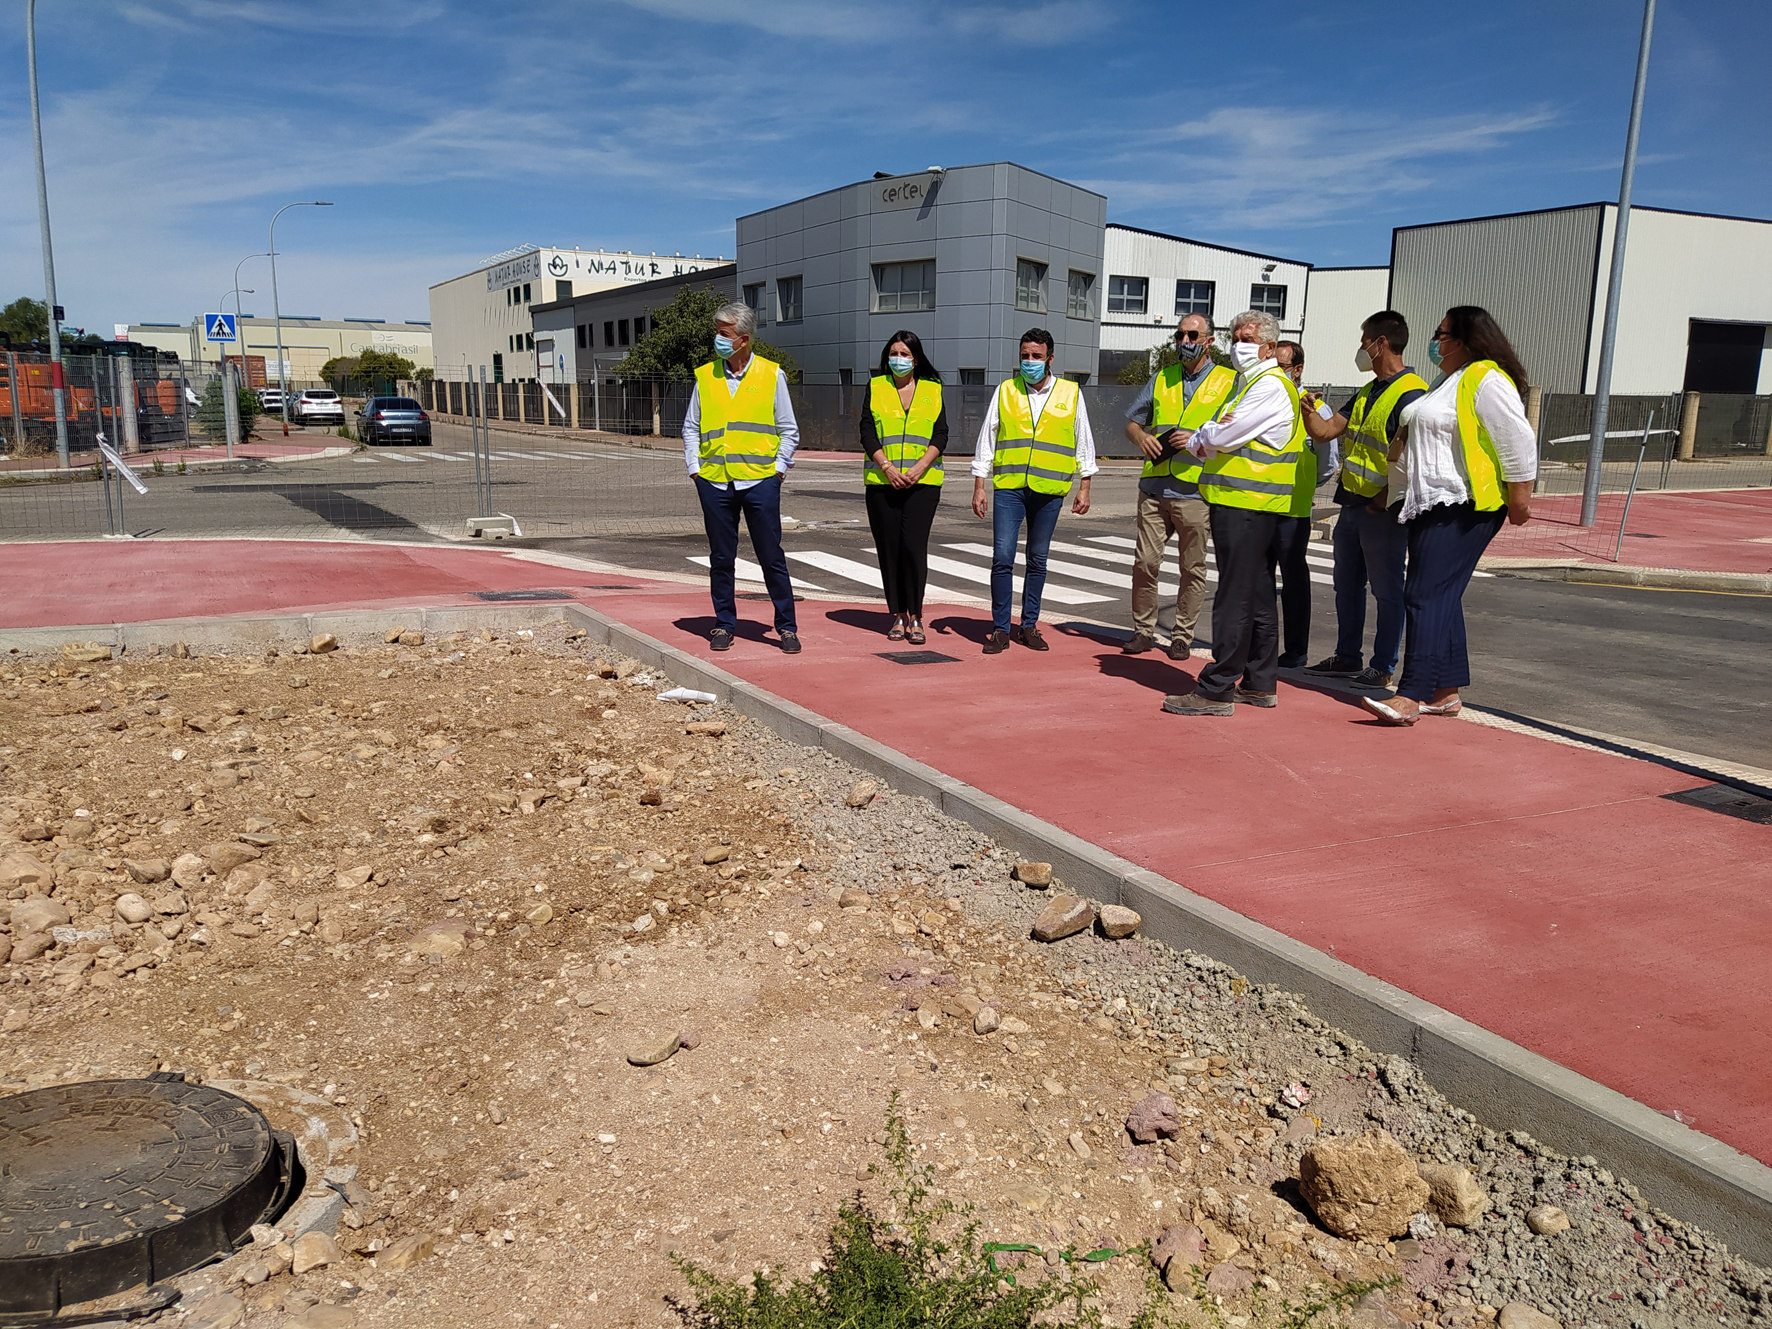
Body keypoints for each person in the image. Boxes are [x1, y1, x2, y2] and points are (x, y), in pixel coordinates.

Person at [1361, 305, 1535, 726]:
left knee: (1423, 595)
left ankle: (1412, 694)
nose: (1434, 342)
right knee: (1441, 595)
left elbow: (1517, 440)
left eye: (1440, 334)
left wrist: (1520, 501)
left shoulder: (1485, 378)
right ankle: (1445, 691)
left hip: (1464, 504)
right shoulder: (1448, 380)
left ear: (1463, 339)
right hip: (1428, 503)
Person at [1160, 310, 1304, 716]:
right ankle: (1259, 682)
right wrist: (1210, 436)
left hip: (1245, 503)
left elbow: (1223, 432)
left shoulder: (1268, 386)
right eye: (1235, 338)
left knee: (1234, 598)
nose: (1238, 346)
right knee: (1256, 595)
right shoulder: (1253, 383)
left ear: (1269, 348)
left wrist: (1200, 438)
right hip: (1251, 503)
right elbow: (1223, 431)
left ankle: (1217, 688)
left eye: (1247, 339)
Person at [1301, 311, 1428, 688]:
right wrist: (1309, 412)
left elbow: (1414, 459)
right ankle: (1347, 656)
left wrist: (1381, 500)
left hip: (1383, 510)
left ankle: (1383, 665)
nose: (1361, 349)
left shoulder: (1412, 395)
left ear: (1381, 343)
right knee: (1347, 585)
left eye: (1364, 341)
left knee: (1387, 591)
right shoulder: (1368, 391)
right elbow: (1326, 431)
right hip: (1354, 504)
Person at [682, 301, 802, 654]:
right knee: (721, 558)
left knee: (771, 556)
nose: (718, 339)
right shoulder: (706, 376)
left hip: (760, 481)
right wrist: (695, 470)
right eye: (718, 332)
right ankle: (723, 624)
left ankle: (787, 627)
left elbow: (789, 430)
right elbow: (691, 427)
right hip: (715, 481)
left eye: (724, 334)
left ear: (744, 339)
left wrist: (778, 471)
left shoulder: (771, 375)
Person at [971, 328, 1096, 654]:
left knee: (1038, 559)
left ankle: (1028, 626)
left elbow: (1083, 438)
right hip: (1010, 488)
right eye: (1025, 356)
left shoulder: (1071, 392)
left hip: (1049, 490)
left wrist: (1085, 485)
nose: (1029, 361)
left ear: (1050, 359)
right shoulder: (1006, 391)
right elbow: (988, 437)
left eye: (1036, 356)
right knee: (1002, 557)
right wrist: (979, 484)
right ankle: (1000, 630)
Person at [1120, 314, 1234, 661]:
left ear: (1209, 341)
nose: (1185, 340)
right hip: (1154, 487)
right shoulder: (1162, 377)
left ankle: (1182, 635)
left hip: (1196, 490)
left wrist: (1199, 438)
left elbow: (1236, 432)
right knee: (1145, 562)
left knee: (1192, 567)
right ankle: (1143, 630)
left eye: (1192, 335)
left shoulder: (1229, 381)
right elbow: (1132, 422)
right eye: (1180, 334)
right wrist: (1140, 437)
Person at [862, 331, 948, 644]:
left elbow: (941, 434)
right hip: (882, 483)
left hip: (922, 484)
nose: (898, 359)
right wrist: (887, 467)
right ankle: (898, 614)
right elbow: (867, 432)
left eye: (905, 354)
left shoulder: (933, 389)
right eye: (894, 353)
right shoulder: (876, 386)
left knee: (913, 547)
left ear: (916, 359)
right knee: (890, 550)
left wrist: (920, 467)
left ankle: (916, 616)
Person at [1270, 339, 1328, 668]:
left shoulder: (1314, 406)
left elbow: (1327, 460)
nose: (1274, 373)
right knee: (1260, 579)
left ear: (1297, 370)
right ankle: (1261, 646)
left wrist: (1307, 484)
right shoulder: (1264, 399)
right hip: (1262, 503)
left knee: (1293, 579)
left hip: (1294, 508)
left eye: (1281, 367)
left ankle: (1295, 650)